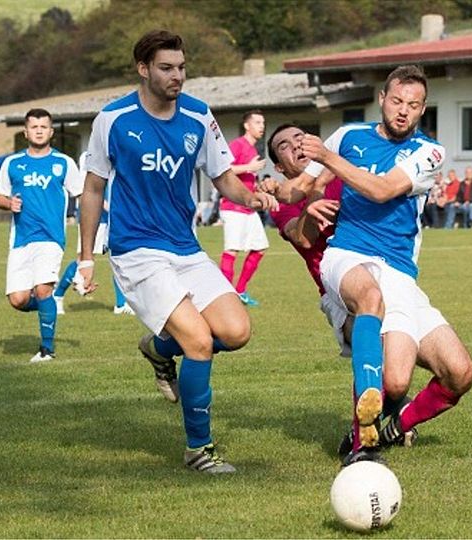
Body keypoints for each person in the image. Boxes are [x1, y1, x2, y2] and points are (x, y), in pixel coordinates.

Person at [76, 30, 277, 474]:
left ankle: (160, 348)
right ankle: (198, 450)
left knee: (236, 331)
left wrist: (251, 199)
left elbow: (224, 178)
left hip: (186, 248)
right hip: (136, 251)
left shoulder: (199, 116)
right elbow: (92, 189)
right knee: (200, 342)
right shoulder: (113, 119)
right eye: (167, 68)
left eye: (182, 68)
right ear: (143, 69)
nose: (177, 76)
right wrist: (86, 257)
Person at [298, 65, 472, 465]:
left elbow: (382, 190)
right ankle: (364, 443)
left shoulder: (429, 152)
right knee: (369, 296)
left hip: (399, 271)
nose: (403, 111)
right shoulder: (348, 136)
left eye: (413, 105)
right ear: (382, 99)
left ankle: (393, 425)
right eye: (396, 101)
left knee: (456, 373)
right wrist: (278, 190)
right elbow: (303, 185)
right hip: (348, 254)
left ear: (422, 109)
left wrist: (328, 157)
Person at [0, 109, 82, 362]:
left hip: (51, 238)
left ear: (51, 132)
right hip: (20, 239)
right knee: (18, 300)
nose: (39, 130)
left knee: (42, 289)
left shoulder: (64, 163)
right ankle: (49, 306)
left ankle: (47, 349)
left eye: (44, 126)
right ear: (26, 132)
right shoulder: (12, 163)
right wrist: (7, 203)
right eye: (34, 127)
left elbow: (82, 194)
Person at [53, 163, 133, 316]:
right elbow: (88, 190)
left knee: (119, 259)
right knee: (82, 260)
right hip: (95, 219)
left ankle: (121, 304)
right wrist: (106, 206)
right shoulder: (91, 155)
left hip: (115, 220)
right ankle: (57, 295)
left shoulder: (120, 153)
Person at [219, 110, 269, 306]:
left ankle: (240, 291)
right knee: (232, 250)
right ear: (247, 126)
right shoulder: (237, 144)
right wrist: (249, 168)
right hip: (233, 206)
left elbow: (247, 179)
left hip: (248, 208)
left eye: (263, 122)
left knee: (260, 247)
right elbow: (225, 169)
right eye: (257, 122)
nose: (261, 126)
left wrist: (259, 189)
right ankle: (224, 297)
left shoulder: (253, 149)